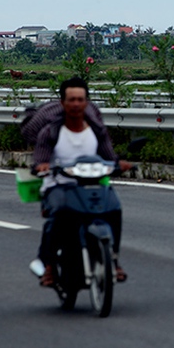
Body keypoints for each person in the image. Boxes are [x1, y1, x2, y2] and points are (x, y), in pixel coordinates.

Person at [29, 77, 131, 286]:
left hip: (93, 183)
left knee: (114, 209)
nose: (76, 104)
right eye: (71, 100)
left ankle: (113, 258)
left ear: (87, 102)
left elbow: (108, 157)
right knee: (58, 217)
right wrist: (42, 166)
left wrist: (119, 164)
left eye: (80, 99)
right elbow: (40, 158)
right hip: (59, 184)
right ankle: (48, 266)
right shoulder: (51, 131)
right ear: (62, 103)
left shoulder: (96, 130)